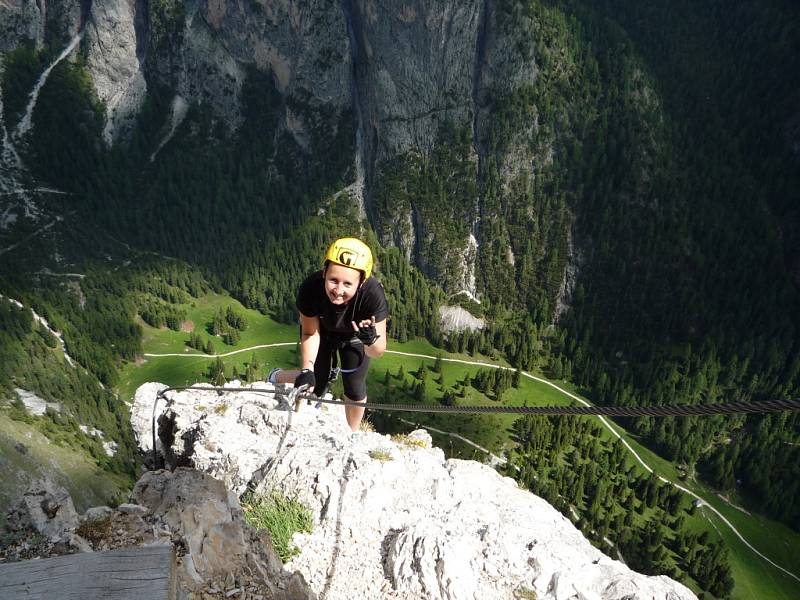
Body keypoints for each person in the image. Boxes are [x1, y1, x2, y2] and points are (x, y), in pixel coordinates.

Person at [269, 237, 389, 431]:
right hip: (320, 333)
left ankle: (352, 434)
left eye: (348, 284)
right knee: (315, 381)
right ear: (324, 273)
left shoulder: (372, 295)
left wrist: (371, 340)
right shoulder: (311, 288)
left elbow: (378, 351)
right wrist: (307, 370)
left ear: (361, 282)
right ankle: (276, 376)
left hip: (355, 337)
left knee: (355, 388)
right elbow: (309, 332)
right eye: (333, 280)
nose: (338, 290)